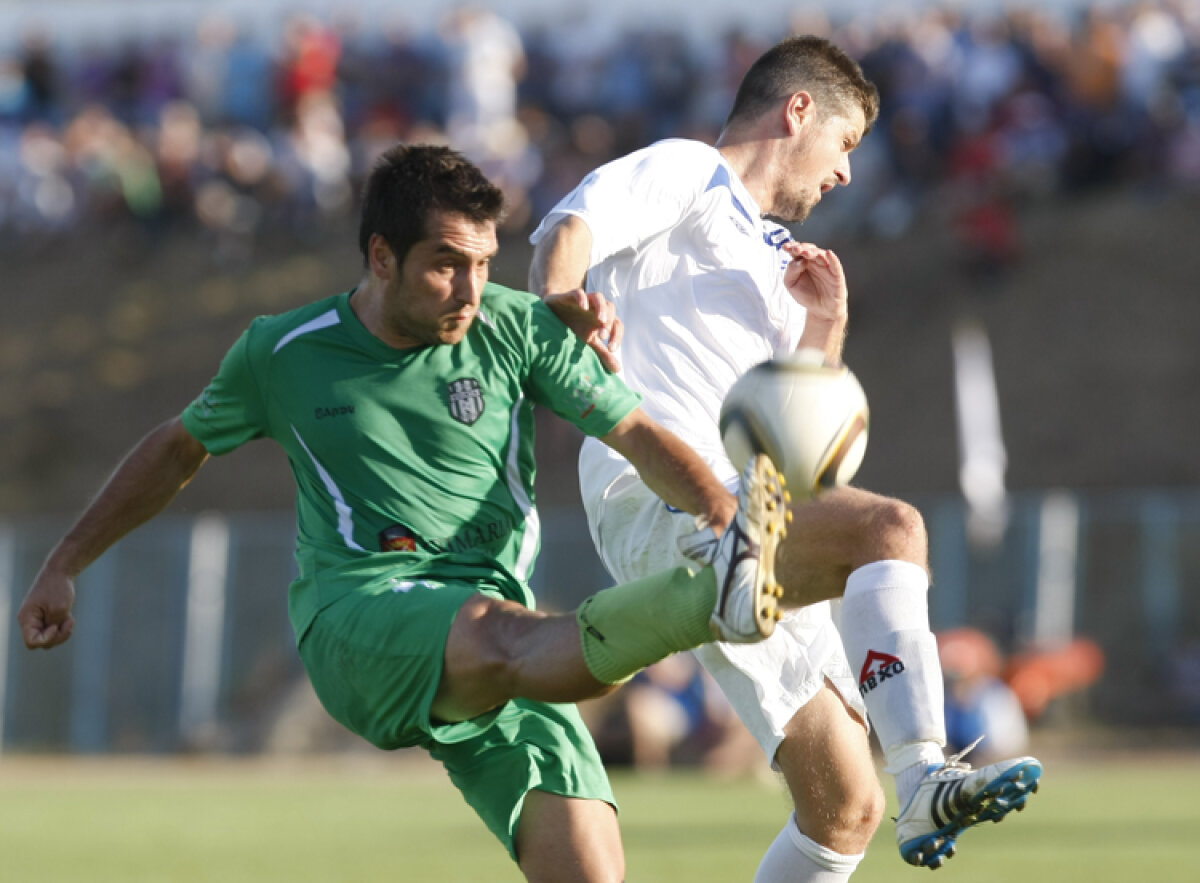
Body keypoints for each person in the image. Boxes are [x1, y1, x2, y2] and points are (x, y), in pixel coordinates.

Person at [17, 144, 792, 883]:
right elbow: (175, 449)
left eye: (484, 263)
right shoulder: (284, 352)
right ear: (382, 256)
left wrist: (728, 519)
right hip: (359, 613)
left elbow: (638, 434)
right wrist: (64, 562)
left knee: (591, 869)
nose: (470, 289)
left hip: (498, 632)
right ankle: (704, 603)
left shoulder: (519, 327)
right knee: (504, 635)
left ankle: (716, 587)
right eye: (447, 263)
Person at [529, 35, 1043, 877]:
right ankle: (926, 772)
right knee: (891, 528)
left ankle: (907, 784)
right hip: (668, 490)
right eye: (845, 142)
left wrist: (824, 329)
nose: (846, 172)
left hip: (750, 507)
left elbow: (805, 453)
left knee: (845, 808)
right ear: (798, 110)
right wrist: (560, 311)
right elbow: (572, 224)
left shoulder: (777, 264)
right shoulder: (693, 170)